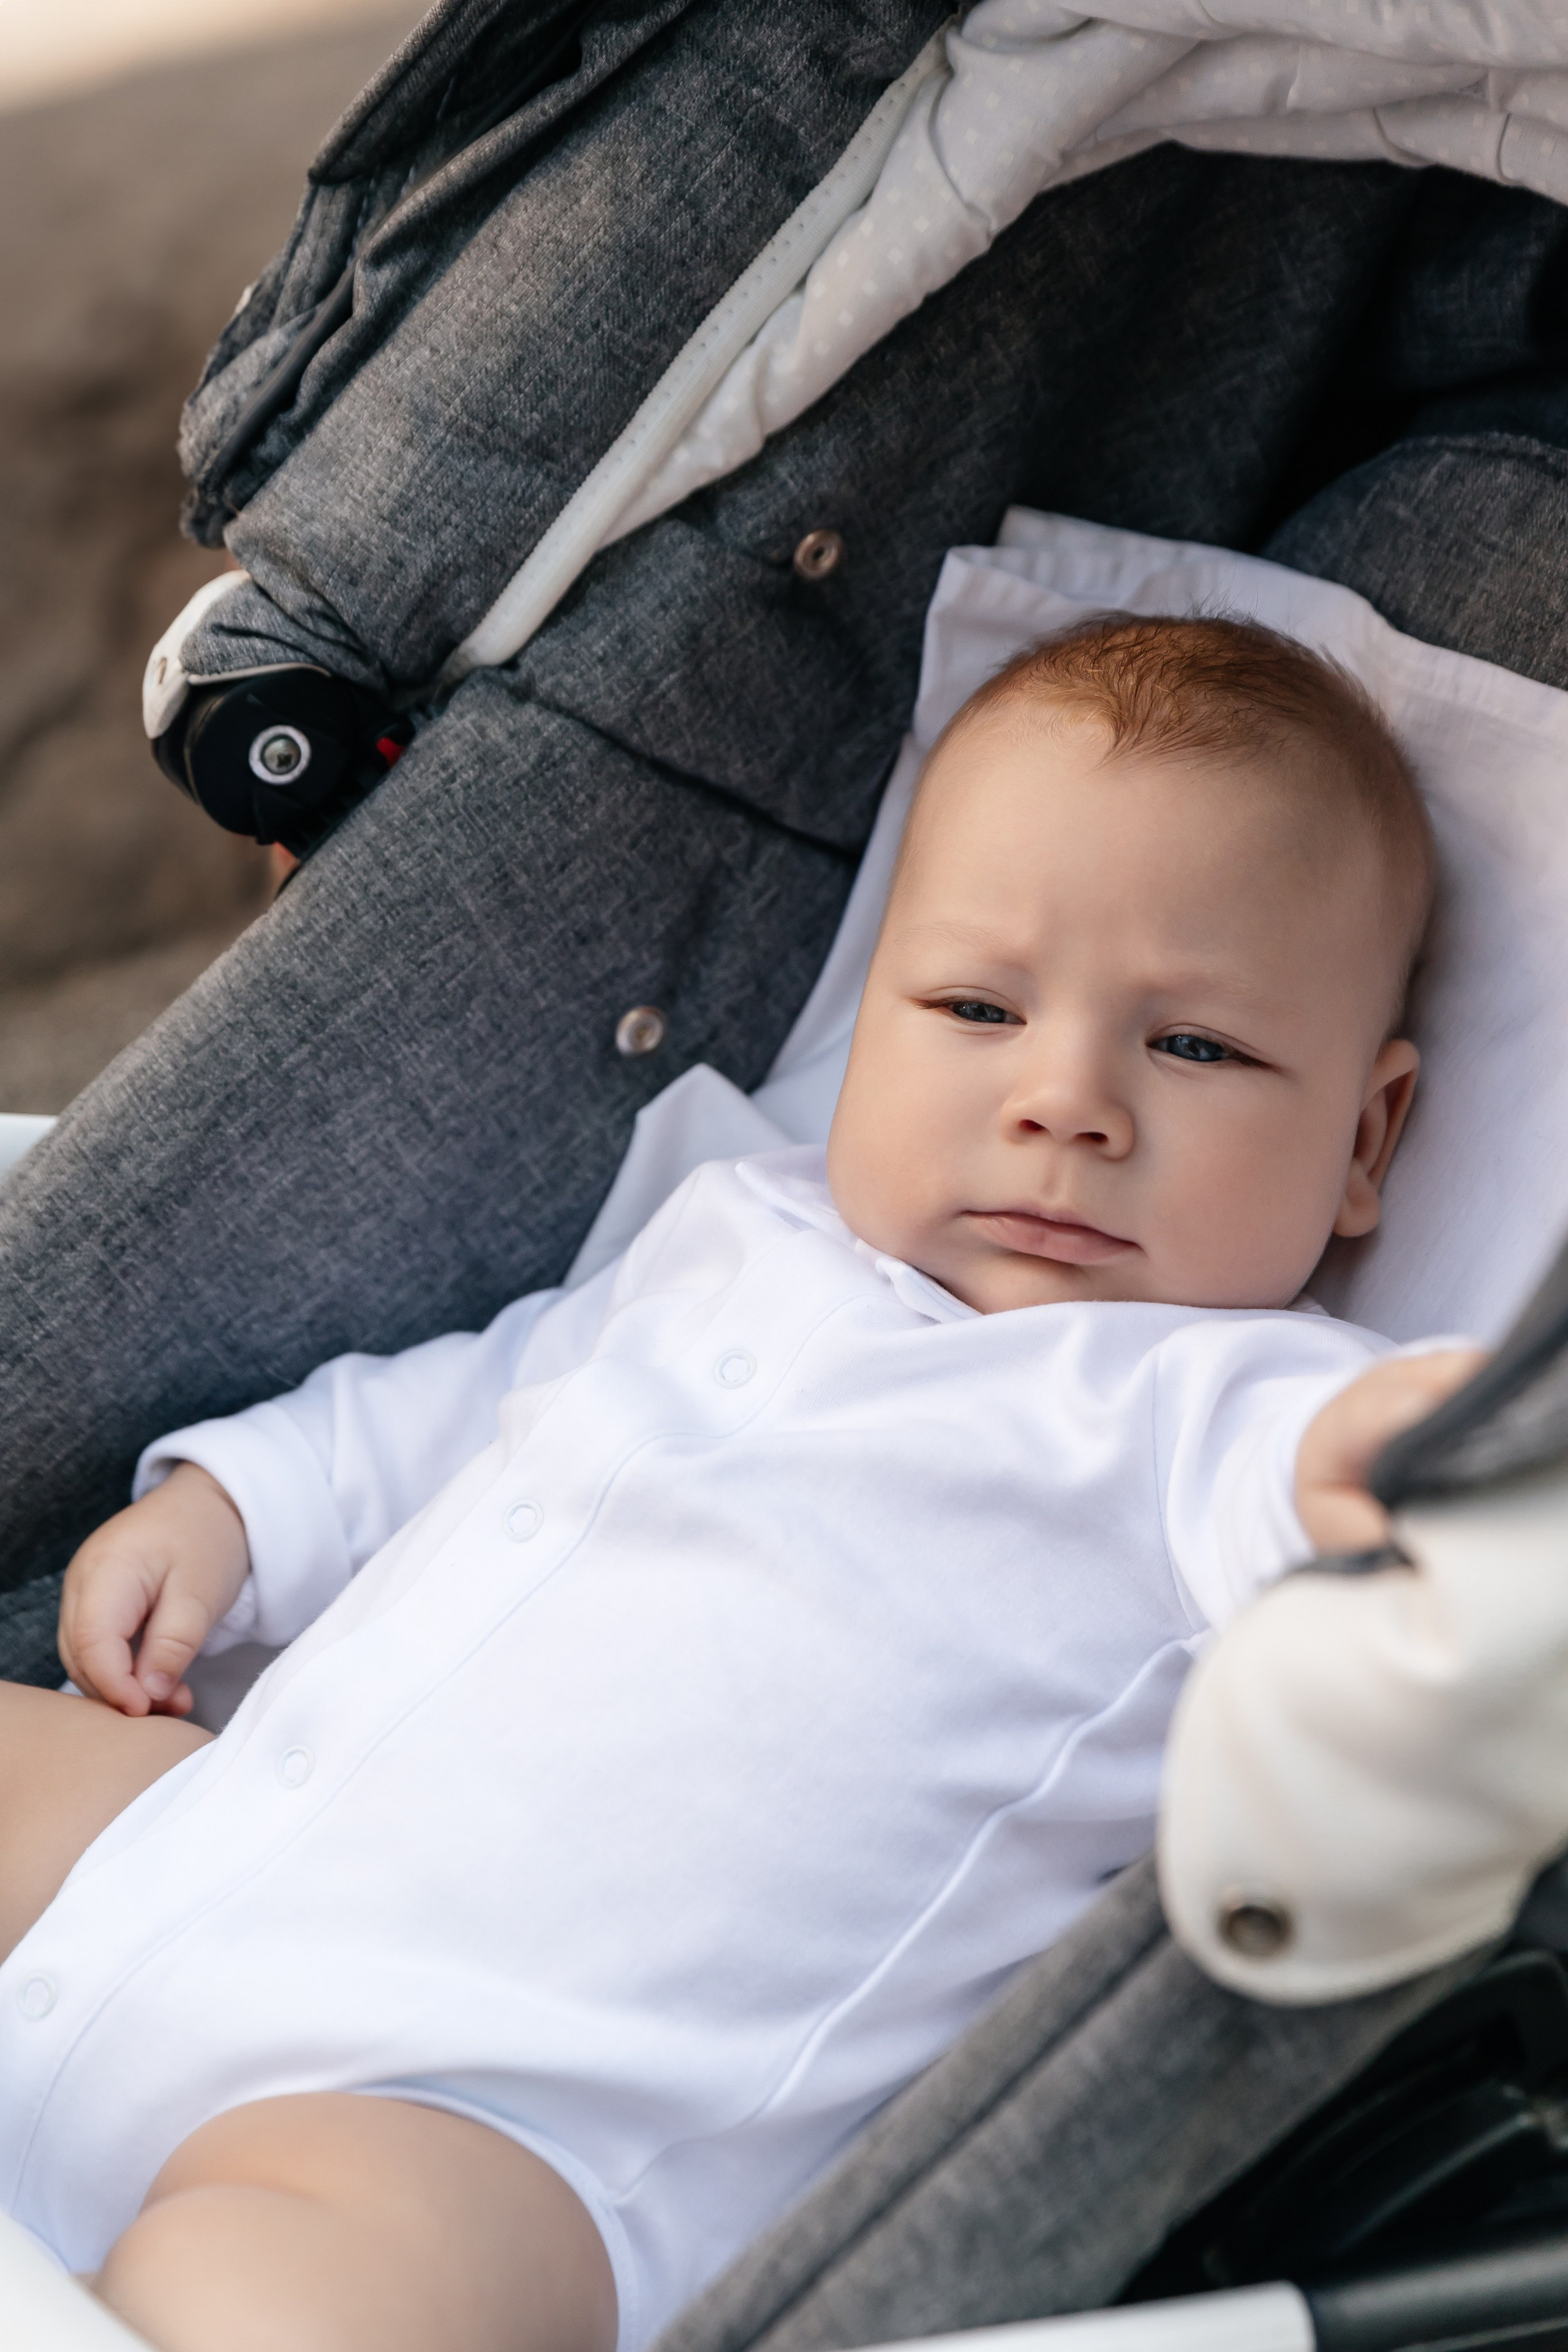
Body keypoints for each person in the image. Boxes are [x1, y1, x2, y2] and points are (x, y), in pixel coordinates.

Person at [0, 618, 1480, 2352]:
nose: (1065, 1102)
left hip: (470, 2118)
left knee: (276, 2309)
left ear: (1365, 1141)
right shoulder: (747, 1224)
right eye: (977, 1009)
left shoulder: (1209, 1403)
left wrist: (1431, 1452)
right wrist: (246, 1506)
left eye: (1198, 1048)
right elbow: (490, 1400)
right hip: (203, 1832)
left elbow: (1364, 1483)